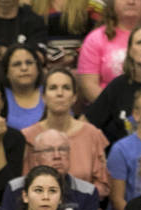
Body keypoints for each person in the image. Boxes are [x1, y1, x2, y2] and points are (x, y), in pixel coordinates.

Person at [22, 67, 110, 198]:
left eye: (66, 88)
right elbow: (23, 184)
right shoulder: (28, 136)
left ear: (74, 97)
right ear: (44, 97)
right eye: (53, 88)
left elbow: (103, 186)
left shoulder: (92, 134)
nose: (60, 93)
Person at [1, 128, 101, 210]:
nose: (57, 156)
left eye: (62, 149)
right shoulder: (15, 188)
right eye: (48, 150)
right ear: (35, 158)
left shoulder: (87, 191)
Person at [3, 43, 44, 130]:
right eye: (17, 64)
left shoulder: (51, 93)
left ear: (38, 69)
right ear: (6, 72)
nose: (24, 68)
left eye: (29, 63)